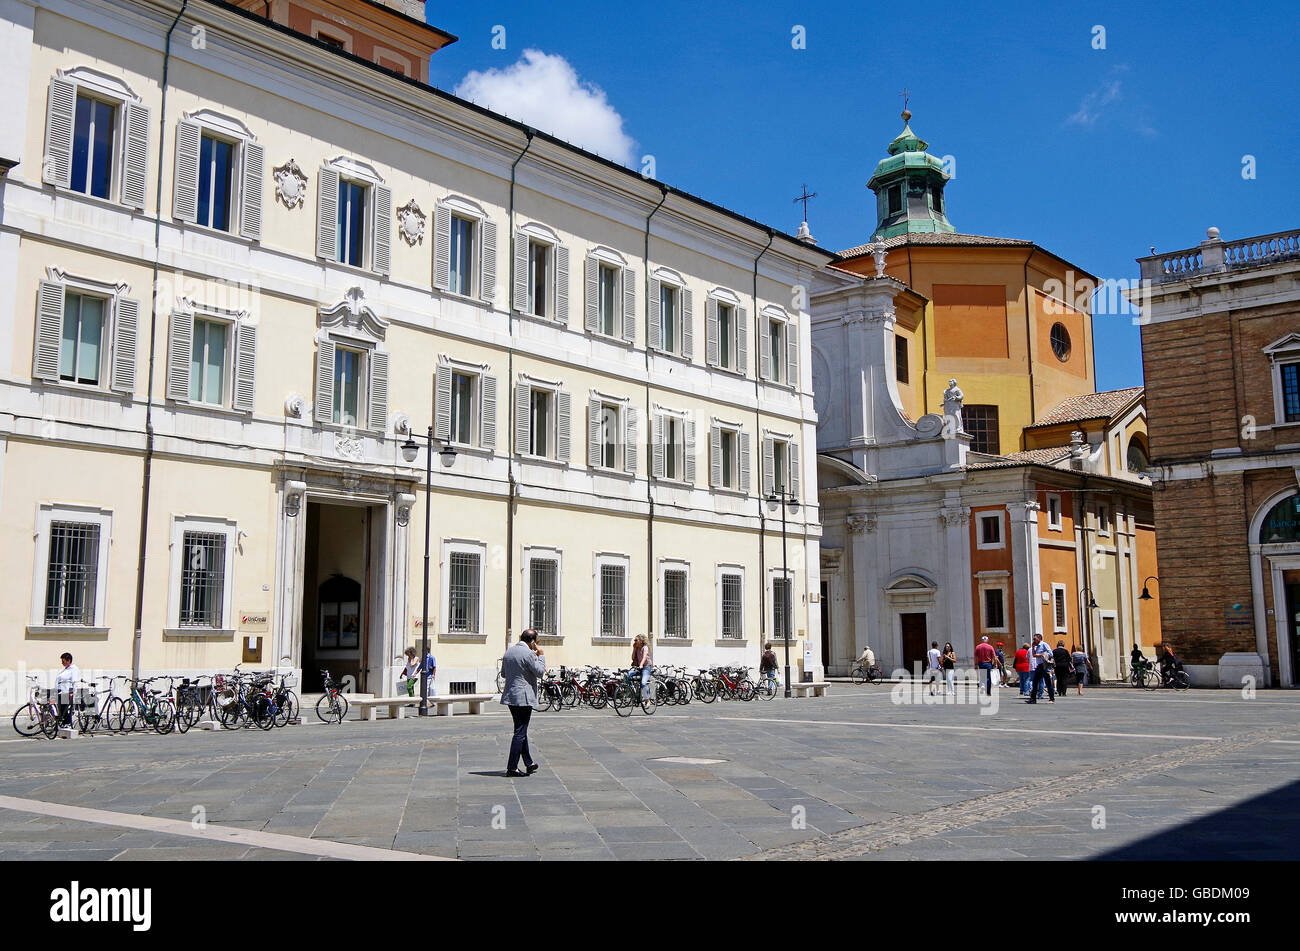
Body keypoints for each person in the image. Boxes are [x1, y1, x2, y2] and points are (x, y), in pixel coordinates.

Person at [499, 630, 545, 777]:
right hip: (524, 697)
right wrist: (541, 655)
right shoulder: (529, 654)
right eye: (536, 642)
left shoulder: (509, 652)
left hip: (511, 696)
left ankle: (529, 763)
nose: (536, 645)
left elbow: (504, 674)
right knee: (520, 732)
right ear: (532, 641)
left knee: (521, 730)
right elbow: (540, 672)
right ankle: (512, 767)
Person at [1026, 633, 1055, 703]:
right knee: (1035, 681)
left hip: (1044, 665)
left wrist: (1040, 655)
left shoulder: (1044, 644)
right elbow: (1033, 655)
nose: (1033, 640)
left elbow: (1050, 654)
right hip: (1039, 665)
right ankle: (1033, 699)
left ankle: (1052, 698)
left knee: (1048, 682)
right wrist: (1033, 647)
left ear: (1039, 638)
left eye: (1035, 639)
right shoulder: (1037, 646)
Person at [55, 652, 80, 727]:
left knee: (65, 708)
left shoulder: (74, 669)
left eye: (63, 661)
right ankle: (62, 723)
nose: (62, 663)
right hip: (60, 691)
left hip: (66, 691)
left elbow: (74, 681)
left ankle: (66, 723)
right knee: (60, 708)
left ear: (68, 660)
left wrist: (72, 692)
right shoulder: (65, 669)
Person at [632, 635, 651, 701]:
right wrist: (634, 649)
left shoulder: (645, 647)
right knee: (628, 675)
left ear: (641, 641)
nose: (634, 641)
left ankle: (647, 700)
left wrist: (641, 664)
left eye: (636, 640)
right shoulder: (636, 648)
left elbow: (644, 657)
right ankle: (633, 692)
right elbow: (633, 658)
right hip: (638, 667)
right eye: (634, 640)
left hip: (646, 667)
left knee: (643, 683)